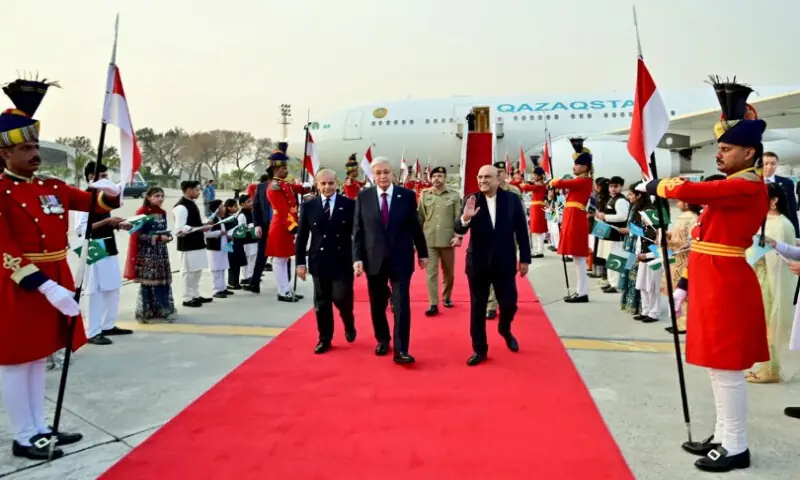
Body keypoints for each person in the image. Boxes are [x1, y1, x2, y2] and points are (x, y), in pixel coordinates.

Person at [639, 78, 769, 472]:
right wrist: (684, 283)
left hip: (727, 285)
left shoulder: (747, 186)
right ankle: (724, 434)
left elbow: (696, 193)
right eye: (719, 147)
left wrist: (658, 184)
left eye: (726, 149)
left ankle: (737, 446)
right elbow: (702, 236)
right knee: (718, 368)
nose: (719, 154)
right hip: (714, 280)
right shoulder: (733, 184)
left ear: (749, 153)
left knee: (727, 369)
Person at [0, 77, 121, 459]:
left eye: (36, 146)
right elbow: (4, 250)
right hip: (21, 286)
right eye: (27, 148)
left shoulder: (49, 186)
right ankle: (22, 434)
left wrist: (111, 189)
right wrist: (44, 286)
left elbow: (94, 203)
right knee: (17, 361)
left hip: (56, 278)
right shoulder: (2, 192)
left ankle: (39, 425)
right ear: (5, 154)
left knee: (39, 357)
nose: (35, 153)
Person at [352, 157, 428, 365]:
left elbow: (415, 227)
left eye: (386, 172)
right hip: (373, 260)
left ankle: (402, 349)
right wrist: (357, 257)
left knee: (401, 304)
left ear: (393, 174)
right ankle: (383, 339)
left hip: (400, 259)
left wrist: (422, 253)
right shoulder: (364, 197)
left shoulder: (407, 196)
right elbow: (358, 231)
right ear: (373, 175)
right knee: (377, 304)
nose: (383, 176)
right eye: (378, 173)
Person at [455, 165, 531, 365]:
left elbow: (522, 231)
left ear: (499, 179)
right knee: (477, 307)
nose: (482, 181)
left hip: (504, 262)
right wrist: (465, 219)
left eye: (487, 177)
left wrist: (524, 259)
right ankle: (479, 349)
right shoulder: (471, 200)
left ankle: (504, 328)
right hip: (477, 263)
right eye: (479, 177)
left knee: (509, 303)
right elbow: (459, 229)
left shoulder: (512, 200)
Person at [295, 169, 357, 354]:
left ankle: (348, 321)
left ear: (336, 183)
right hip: (319, 260)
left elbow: (358, 233)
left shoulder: (349, 204)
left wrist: (360, 257)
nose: (327, 187)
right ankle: (325, 338)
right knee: (322, 303)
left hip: (343, 259)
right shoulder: (309, 206)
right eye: (323, 183)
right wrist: (300, 263)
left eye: (331, 183)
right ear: (317, 184)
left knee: (341, 297)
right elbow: (302, 236)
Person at [74, 161, 134, 345]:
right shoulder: (84, 197)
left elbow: (104, 222)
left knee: (112, 287)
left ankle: (108, 325)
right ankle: (93, 331)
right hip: (93, 246)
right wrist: (108, 222)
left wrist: (117, 224)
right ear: (92, 177)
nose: (107, 180)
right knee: (94, 290)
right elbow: (81, 229)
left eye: (107, 176)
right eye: (103, 176)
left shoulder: (103, 198)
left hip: (108, 245)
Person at [745, 183, 796, 383]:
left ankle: (771, 368)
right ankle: (763, 364)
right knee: (759, 325)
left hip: (769, 281)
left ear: (774, 201)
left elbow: (778, 262)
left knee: (770, 323)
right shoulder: (763, 220)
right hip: (757, 278)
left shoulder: (781, 225)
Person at [549, 138, 594, 303]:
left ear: (583, 167)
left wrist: (554, 181)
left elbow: (557, 182)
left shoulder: (582, 180)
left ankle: (582, 292)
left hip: (575, 219)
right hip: (572, 217)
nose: (573, 167)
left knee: (579, 259)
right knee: (577, 259)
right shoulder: (580, 181)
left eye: (576, 165)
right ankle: (580, 290)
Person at [123, 186, 176, 322]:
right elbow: (139, 235)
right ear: (148, 197)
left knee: (162, 281)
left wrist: (168, 237)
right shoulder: (142, 212)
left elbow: (163, 230)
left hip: (161, 252)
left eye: (162, 196)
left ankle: (163, 309)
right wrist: (157, 238)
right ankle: (146, 311)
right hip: (148, 253)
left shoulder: (162, 212)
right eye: (156, 196)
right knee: (148, 282)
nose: (160, 199)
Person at [417, 166, 462, 316]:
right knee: (431, 273)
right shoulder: (424, 195)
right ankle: (433, 303)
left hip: (448, 240)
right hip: (429, 240)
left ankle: (447, 296)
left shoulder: (454, 196)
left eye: (440, 176)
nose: (437, 179)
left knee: (449, 273)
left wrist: (458, 236)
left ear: (445, 178)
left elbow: (458, 218)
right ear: (431, 178)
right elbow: (420, 217)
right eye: (434, 176)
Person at [266, 142, 307, 302]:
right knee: (279, 259)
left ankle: (286, 288)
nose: (286, 170)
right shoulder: (274, 186)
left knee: (285, 259)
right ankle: (283, 291)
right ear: (276, 169)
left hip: (288, 225)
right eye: (283, 168)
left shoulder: (284, 184)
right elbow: (283, 211)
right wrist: (293, 227)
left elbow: (298, 189)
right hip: (281, 226)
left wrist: (307, 187)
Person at [174, 180, 213, 307]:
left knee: (197, 271)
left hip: (197, 242)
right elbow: (180, 229)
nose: (199, 192)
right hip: (187, 244)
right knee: (187, 272)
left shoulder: (192, 204)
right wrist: (200, 228)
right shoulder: (181, 207)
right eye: (196, 190)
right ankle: (187, 298)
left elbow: (194, 224)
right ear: (188, 190)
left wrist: (204, 225)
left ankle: (195, 294)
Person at [597, 176, 629, 294]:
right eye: (611, 186)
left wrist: (605, 217)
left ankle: (616, 284)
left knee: (616, 260)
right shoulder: (612, 199)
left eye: (616, 186)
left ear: (621, 187)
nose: (613, 189)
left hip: (617, 234)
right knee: (609, 259)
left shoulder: (620, 200)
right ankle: (612, 282)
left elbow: (623, 216)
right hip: (609, 233)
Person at [762, 152, 799, 236]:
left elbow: (791, 210)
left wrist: (796, 235)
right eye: (766, 163)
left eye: (773, 163)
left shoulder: (787, 183)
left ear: (777, 164)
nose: (769, 167)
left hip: (778, 228)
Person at [248, 173, 273, 294]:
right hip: (264, 225)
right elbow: (256, 207)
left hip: (280, 226)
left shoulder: (286, 186)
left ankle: (285, 286)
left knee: (284, 257)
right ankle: (254, 282)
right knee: (261, 254)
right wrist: (256, 225)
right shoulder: (261, 187)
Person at [527, 167, 548, 258]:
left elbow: (526, 187)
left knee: (537, 230)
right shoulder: (539, 184)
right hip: (536, 208)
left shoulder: (539, 185)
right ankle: (537, 250)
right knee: (535, 230)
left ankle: (539, 251)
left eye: (535, 175)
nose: (534, 176)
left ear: (540, 176)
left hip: (537, 209)